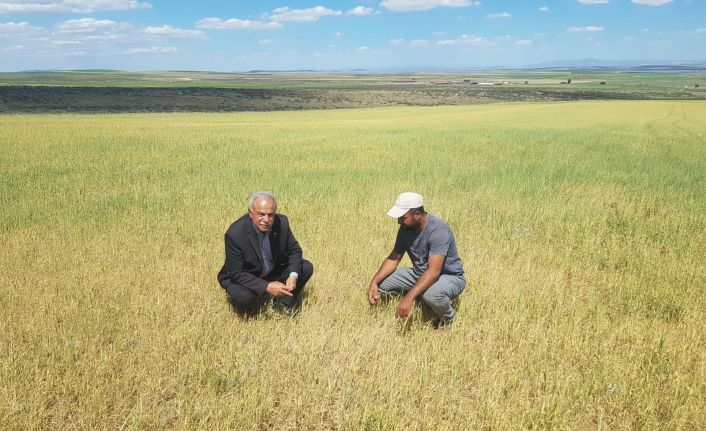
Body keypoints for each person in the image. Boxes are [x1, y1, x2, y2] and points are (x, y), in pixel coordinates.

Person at [367, 192, 466, 325]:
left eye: (402, 217)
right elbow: (394, 258)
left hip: (449, 277)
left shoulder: (438, 231)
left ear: (417, 214)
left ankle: (451, 320)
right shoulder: (405, 228)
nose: (398, 222)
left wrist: (409, 298)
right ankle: (422, 298)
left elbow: (434, 271)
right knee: (382, 283)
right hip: (420, 273)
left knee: (432, 295)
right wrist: (374, 281)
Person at [218, 192, 313, 315]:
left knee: (305, 267)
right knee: (243, 297)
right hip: (247, 274)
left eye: (270, 215)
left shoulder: (282, 223)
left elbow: (294, 250)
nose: (266, 220)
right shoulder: (235, 234)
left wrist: (293, 276)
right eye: (261, 214)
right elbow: (236, 273)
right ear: (251, 213)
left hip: (271, 270)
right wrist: (266, 286)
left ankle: (282, 302)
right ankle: (251, 308)